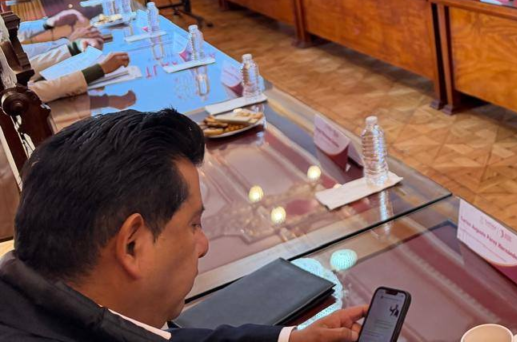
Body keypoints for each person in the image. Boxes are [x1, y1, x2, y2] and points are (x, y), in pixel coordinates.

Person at [0, 109, 367, 342]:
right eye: (193, 224)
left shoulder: (32, 296)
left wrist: (291, 340)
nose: (203, 244)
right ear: (132, 245)